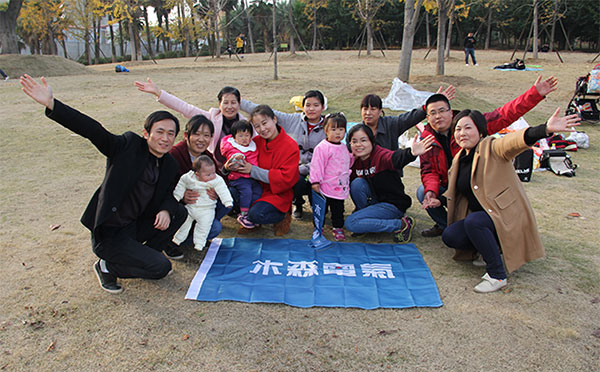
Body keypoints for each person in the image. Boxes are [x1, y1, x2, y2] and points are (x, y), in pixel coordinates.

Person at [20, 74, 187, 294]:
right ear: (146, 133)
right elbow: (93, 130)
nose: (165, 139)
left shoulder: (169, 164)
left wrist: (166, 209)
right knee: (161, 268)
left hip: (135, 226)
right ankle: (106, 265)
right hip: (111, 232)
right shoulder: (127, 146)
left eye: (171, 134)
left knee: (179, 212)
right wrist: (53, 104)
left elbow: (167, 193)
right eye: (160, 132)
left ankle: (144, 255)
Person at [442, 108, 579, 293]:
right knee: (451, 236)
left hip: (503, 216)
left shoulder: (491, 147)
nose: (462, 133)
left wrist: (545, 129)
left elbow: (513, 142)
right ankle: (491, 249)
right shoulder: (460, 158)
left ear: (480, 131)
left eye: (468, 128)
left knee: (475, 222)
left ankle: (497, 275)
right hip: (484, 217)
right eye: (458, 129)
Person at [417, 75, 558, 238]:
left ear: (451, 112)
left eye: (442, 111)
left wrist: (534, 94)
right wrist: (431, 192)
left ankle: (477, 231)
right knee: (423, 192)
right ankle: (447, 226)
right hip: (450, 187)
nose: (438, 116)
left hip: (477, 186)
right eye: (433, 113)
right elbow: (429, 171)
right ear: (428, 118)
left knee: (476, 218)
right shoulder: (426, 139)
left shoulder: (469, 125)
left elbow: (505, 114)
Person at [241, 90, 326, 220]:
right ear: (302, 107)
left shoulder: (328, 126)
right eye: (308, 105)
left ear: (323, 107)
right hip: (284, 175)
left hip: (313, 171)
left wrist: (297, 169)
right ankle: (297, 204)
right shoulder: (293, 120)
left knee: (297, 180)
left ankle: (298, 210)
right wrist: (235, 101)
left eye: (316, 105)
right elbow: (260, 111)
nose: (311, 109)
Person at [344, 124, 434, 242]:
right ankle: (366, 221)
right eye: (354, 141)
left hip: (392, 204)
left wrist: (410, 153)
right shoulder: (354, 161)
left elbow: (395, 158)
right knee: (357, 183)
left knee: (351, 223)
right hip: (375, 202)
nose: (359, 145)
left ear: (372, 141)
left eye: (363, 140)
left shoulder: (381, 155)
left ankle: (401, 224)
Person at [134, 78, 249, 164]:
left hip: (239, 166)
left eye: (233, 103)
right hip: (211, 165)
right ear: (219, 104)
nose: (229, 107)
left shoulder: (246, 125)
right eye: (225, 102)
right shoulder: (210, 118)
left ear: (239, 104)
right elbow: (185, 108)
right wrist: (159, 93)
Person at [167, 114, 234, 259]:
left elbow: (220, 180)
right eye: (196, 134)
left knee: (226, 201)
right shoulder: (175, 155)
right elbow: (165, 187)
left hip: (203, 205)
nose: (201, 139)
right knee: (214, 227)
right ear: (186, 135)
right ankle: (171, 241)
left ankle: (200, 231)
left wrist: (215, 192)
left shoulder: (207, 157)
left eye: (206, 135)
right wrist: (182, 196)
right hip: (181, 208)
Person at [228, 105, 299, 236]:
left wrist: (252, 170)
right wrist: (229, 166)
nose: (262, 129)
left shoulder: (290, 146)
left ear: (275, 119)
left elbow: (286, 178)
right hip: (255, 188)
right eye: (257, 126)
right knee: (231, 194)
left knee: (257, 214)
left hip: (277, 193)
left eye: (265, 123)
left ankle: (283, 216)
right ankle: (251, 220)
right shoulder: (254, 142)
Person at [358, 86, 455, 152]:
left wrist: (430, 104)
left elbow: (410, 118)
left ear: (380, 111)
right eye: (365, 109)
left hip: (388, 175)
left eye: (373, 109)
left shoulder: (390, 124)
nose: (368, 113)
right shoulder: (357, 132)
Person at [172, 156, 233, 250]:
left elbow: (223, 189)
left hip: (206, 209)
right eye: (208, 175)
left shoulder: (216, 179)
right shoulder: (188, 178)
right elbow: (180, 186)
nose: (212, 176)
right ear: (197, 174)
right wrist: (177, 197)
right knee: (184, 223)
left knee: (204, 226)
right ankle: (177, 239)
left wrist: (227, 201)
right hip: (191, 207)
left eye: (213, 172)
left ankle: (199, 243)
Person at [308, 113, 353, 241]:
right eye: (333, 129)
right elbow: (317, 165)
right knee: (322, 208)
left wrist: (352, 158)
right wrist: (315, 181)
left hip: (339, 186)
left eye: (341, 129)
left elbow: (346, 162)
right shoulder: (322, 148)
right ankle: (319, 226)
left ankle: (338, 226)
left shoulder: (344, 147)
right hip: (325, 186)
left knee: (338, 208)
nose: (337, 133)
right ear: (326, 130)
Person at [219, 120, 262, 228]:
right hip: (238, 178)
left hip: (251, 177)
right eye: (241, 136)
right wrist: (236, 158)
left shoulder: (253, 146)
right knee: (246, 192)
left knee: (257, 191)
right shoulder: (232, 147)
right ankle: (243, 214)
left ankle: (251, 212)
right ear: (234, 138)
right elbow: (231, 159)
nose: (244, 138)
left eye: (247, 135)